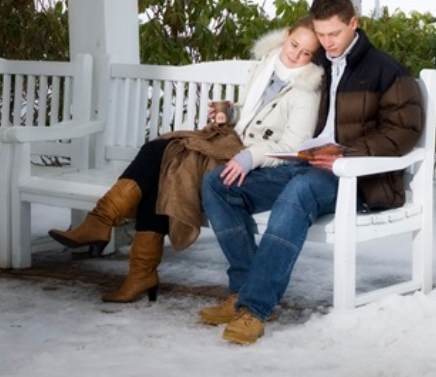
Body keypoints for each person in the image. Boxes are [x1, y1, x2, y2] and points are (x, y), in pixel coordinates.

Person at [199, 0, 423, 344]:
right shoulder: (315, 64)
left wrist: (346, 153)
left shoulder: (385, 70)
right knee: (218, 184)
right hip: (304, 163)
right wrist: (231, 109)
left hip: (354, 176)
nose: (327, 42)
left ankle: (254, 308)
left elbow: (404, 133)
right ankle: (242, 290)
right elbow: (273, 98)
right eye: (321, 35)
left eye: (334, 33)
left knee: (299, 191)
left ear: (354, 23)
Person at [48, 17, 324, 303]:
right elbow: (250, 114)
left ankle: (104, 225)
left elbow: (291, 147)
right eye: (294, 44)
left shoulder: (307, 90)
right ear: (287, 35)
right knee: (164, 162)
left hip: (243, 161)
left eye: (306, 53)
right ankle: (137, 269)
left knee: (163, 152)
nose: (295, 55)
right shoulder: (267, 64)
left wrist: (250, 157)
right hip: (229, 142)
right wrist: (230, 113)